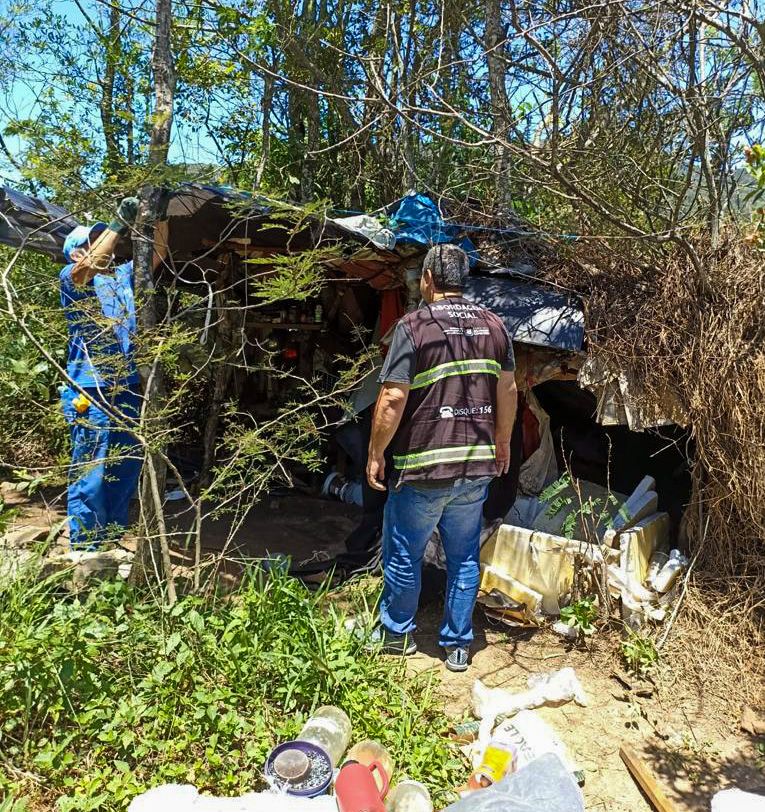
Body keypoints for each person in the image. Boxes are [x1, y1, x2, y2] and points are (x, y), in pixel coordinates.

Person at [367, 244, 518, 672]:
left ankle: (396, 636)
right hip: (475, 466)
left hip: (424, 468)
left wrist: (377, 452)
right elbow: (508, 391)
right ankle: (456, 646)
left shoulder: (414, 326)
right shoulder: (495, 326)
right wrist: (502, 443)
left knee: (404, 553)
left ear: (428, 280)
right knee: (464, 556)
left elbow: (393, 396)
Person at [60, 195, 168, 549]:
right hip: (90, 388)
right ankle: (86, 545)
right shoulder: (73, 276)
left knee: (124, 464)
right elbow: (86, 269)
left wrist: (161, 216)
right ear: (77, 251)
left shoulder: (119, 278)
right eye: (93, 240)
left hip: (125, 384)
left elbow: (158, 255)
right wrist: (117, 224)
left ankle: (110, 536)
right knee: (91, 466)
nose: (106, 242)